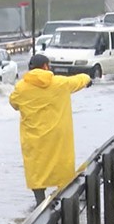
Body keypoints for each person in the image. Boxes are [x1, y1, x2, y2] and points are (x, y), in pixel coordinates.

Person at [9, 53, 92, 205]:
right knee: (62, 169)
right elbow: (78, 80)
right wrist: (88, 79)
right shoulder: (60, 83)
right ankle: (63, 201)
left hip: (33, 139)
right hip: (58, 138)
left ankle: (40, 205)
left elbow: (13, 103)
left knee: (36, 172)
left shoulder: (21, 87)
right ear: (46, 66)